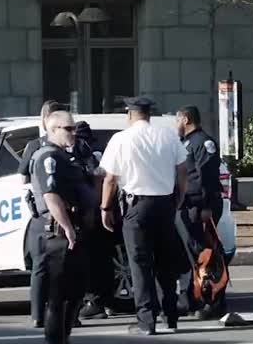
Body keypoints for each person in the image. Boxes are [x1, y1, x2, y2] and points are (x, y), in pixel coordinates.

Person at [99, 97, 188, 335]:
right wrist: (179, 196)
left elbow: (110, 178)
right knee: (165, 264)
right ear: (149, 114)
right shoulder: (168, 135)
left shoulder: (121, 139)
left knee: (140, 265)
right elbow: (182, 168)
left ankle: (146, 322)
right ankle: (171, 316)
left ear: (130, 114)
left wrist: (105, 208)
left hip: (136, 207)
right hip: (165, 205)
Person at [29, 111, 92, 344]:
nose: (73, 133)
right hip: (59, 235)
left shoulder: (63, 156)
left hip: (72, 231)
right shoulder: (49, 158)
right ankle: (56, 340)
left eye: (74, 128)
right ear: (53, 129)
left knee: (74, 292)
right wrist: (67, 227)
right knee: (58, 296)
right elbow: (51, 195)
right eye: (68, 129)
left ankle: (63, 337)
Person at [18, 100, 69, 329]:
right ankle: (63, 316)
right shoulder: (59, 148)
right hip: (57, 212)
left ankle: (38, 314)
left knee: (40, 267)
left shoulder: (34, 146)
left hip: (41, 215)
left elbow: (23, 179)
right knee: (62, 270)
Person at [175, 106, 225, 319]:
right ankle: (189, 299)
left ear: (185, 119)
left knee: (205, 255)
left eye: (176, 120)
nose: (175, 125)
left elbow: (207, 177)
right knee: (188, 255)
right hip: (186, 207)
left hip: (201, 207)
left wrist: (206, 207)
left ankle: (212, 301)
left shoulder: (204, 143)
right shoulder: (185, 143)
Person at [73, 121, 114, 320]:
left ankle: (95, 301)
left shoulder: (84, 154)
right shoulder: (99, 152)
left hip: (92, 214)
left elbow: (96, 180)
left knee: (92, 261)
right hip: (105, 212)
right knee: (104, 260)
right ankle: (106, 301)